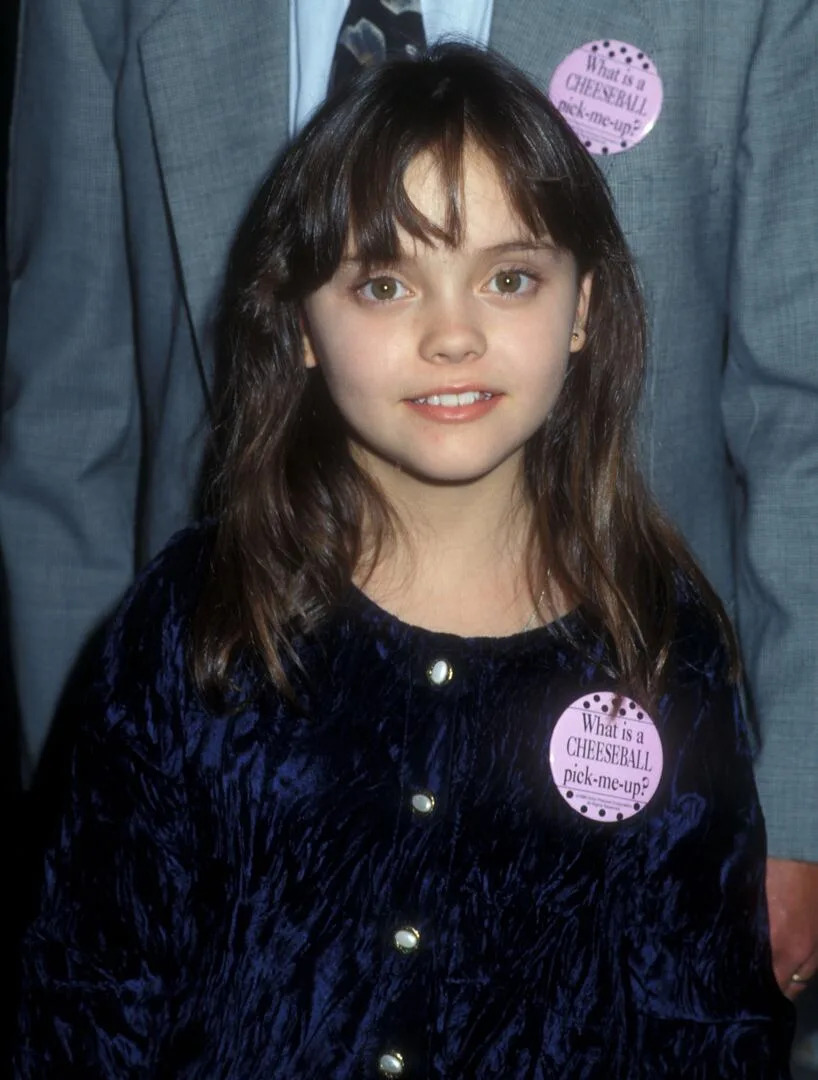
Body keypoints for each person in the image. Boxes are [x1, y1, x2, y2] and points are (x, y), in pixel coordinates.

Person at [3, 0, 816, 1013]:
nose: (450, 336)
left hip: (622, 761)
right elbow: (64, 415)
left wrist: (796, 814)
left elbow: (801, 410)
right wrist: (95, 819)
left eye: (510, 280)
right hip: (233, 752)